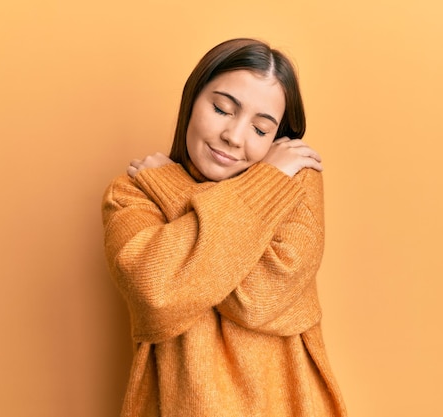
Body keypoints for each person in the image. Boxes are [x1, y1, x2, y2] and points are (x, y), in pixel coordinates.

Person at [102, 38, 347, 417]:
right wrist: (262, 185)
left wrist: (173, 189)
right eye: (221, 108)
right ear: (192, 99)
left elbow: (261, 296)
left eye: (261, 129)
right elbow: (155, 294)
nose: (234, 136)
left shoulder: (294, 180)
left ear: (279, 138)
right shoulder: (132, 193)